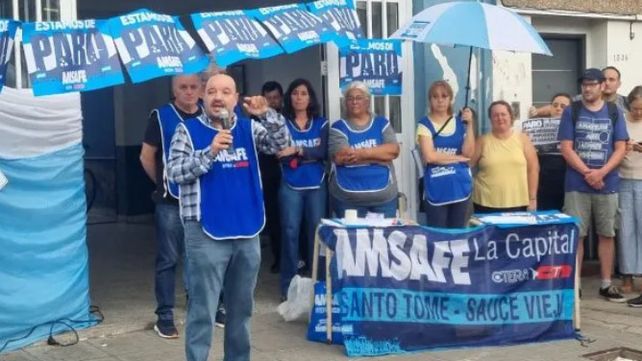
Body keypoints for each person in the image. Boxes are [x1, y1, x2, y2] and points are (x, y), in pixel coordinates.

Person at [167, 73, 290, 361]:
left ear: (236, 99)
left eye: (225, 91)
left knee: (241, 310)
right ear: (203, 98)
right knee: (203, 311)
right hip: (205, 232)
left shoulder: (249, 128)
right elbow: (173, 173)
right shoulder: (187, 131)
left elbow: (280, 143)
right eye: (211, 91)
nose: (218, 97)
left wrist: (267, 114)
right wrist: (209, 152)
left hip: (247, 231)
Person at [557, 68, 628, 302]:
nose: (587, 88)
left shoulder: (614, 112)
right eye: (584, 84)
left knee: (606, 234)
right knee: (576, 235)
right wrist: (588, 172)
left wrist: (602, 173)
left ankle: (606, 283)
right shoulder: (572, 111)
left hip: (607, 184)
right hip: (577, 184)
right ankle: (574, 284)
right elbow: (566, 147)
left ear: (601, 87)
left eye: (592, 84)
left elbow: (620, 147)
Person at [140, 74, 202, 339]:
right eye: (183, 88)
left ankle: (200, 308)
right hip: (170, 202)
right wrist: (162, 183)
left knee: (198, 258)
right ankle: (164, 316)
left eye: (193, 87)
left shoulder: (208, 115)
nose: (188, 92)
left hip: (200, 200)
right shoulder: (161, 116)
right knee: (168, 259)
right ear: (173, 90)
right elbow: (146, 156)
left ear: (200, 89)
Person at [276, 79, 328, 300]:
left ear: (310, 98)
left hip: (317, 182)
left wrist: (297, 149)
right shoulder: (282, 123)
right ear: (290, 97)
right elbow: (279, 153)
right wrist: (308, 153)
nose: (299, 97)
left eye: (304, 93)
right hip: (290, 183)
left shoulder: (322, 123)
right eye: (295, 93)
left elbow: (324, 152)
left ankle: (318, 284)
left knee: (316, 234)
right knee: (289, 233)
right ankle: (288, 285)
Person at [329, 81, 400, 217]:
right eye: (350, 98)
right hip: (348, 200)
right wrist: (378, 156)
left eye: (358, 98)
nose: (354, 101)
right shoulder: (338, 127)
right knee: (351, 238)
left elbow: (393, 151)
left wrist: (362, 153)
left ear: (367, 101)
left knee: (383, 238)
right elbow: (341, 157)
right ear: (346, 103)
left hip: (383, 199)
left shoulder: (381, 123)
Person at [416, 80, 475, 228]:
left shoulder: (460, 122)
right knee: (438, 234)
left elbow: (468, 153)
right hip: (436, 188)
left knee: (459, 233)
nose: (440, 100)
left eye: (444, 96)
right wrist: (457, 158)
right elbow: (430, 156)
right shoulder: (424, 124)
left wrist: (469, 126)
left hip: (460, 187)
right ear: (430, 100)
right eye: (435, 97)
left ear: (450, 99)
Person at [472, 100, 539, 213]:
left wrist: (532, 198)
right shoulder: (482, 141)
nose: (500, 118)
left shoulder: (523, 139)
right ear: (490, 119)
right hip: (485, 203)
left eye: (503, 114)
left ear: (510, 117)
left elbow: (533, 169)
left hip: (518, 202)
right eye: (495, 115)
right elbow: (468, 165)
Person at [529, 66, 628, 117]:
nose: (607, 83)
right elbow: (559, 105)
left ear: (619, 83)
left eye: (611, 80)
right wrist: (537, 111)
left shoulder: (626, 102)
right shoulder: (580, 99)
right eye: (604, 79)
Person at [619, 86, 642, 298]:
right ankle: (626, 274)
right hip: (624, 179)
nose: (638, 113)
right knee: (626, 228)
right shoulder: (621, 121)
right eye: (635, 108)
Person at [259, 81, 284, 273]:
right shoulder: (256, 121)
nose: (273, 102)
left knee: (292, 222)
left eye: (276, 97)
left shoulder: (287, 118)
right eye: (269, 98)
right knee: (274, 218)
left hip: (292, 175)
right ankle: (278, 258)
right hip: (269, 175)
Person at [534, 93, 572, 211]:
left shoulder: (576, 128)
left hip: (567, 180)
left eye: (563, 106)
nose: (558, 108)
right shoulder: (536, 127)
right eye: (555, 105)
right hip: (543, 181)